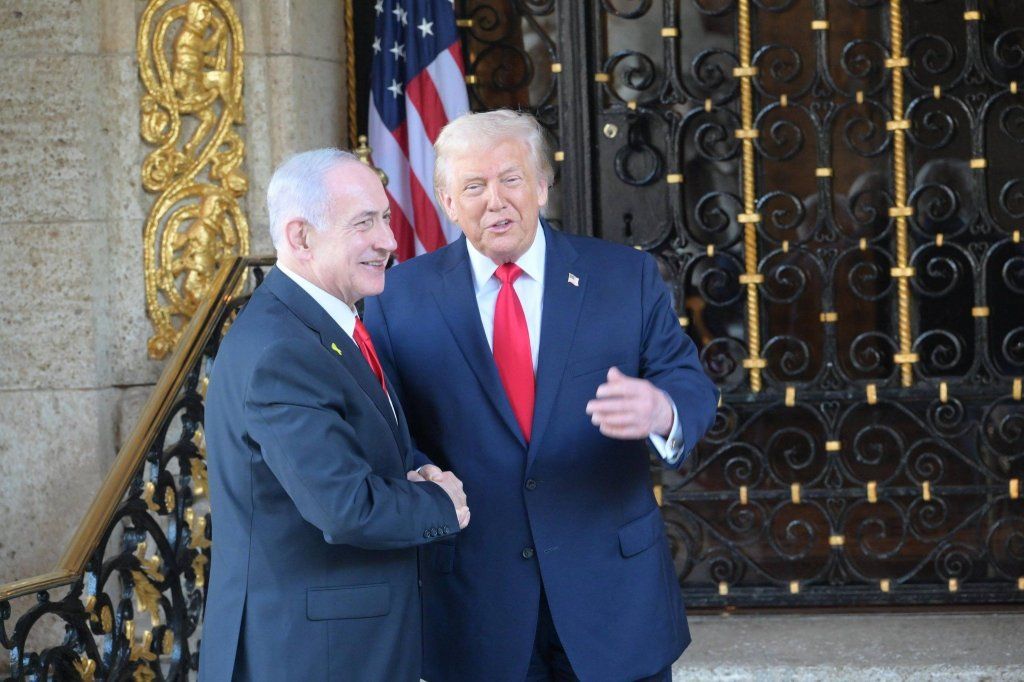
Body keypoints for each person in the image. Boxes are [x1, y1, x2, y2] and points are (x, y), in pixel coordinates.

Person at [363, 110, 719, 682]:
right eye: (474, 186)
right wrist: (422, 473)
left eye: (511, 179)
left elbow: (689, 382)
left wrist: (662, 408)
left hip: (613, 599)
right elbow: (385, 427)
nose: (495, 200)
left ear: (542, 188)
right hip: (476, 605)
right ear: (447, 203)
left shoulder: (624, 276)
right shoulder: (395, 298)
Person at [200, 149, 470, 681]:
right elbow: (345, 507)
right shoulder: (282, 349)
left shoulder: (322, 325)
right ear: (301, 238)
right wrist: (442, 502)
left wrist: (414, 472)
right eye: (364, 223)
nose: (390, 242)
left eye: (386, 218)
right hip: (314, 656)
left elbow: (363, 451)